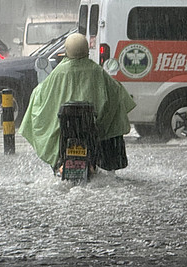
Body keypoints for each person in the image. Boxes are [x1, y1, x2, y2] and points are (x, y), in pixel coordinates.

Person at [19, 32, 136, 172]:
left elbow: (41, 95)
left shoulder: (59, 72)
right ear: (86, 49)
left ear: (67, 50)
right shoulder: (97, 71)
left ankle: (59, 165)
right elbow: (116, 93)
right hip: (93, 127)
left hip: (64, 127)